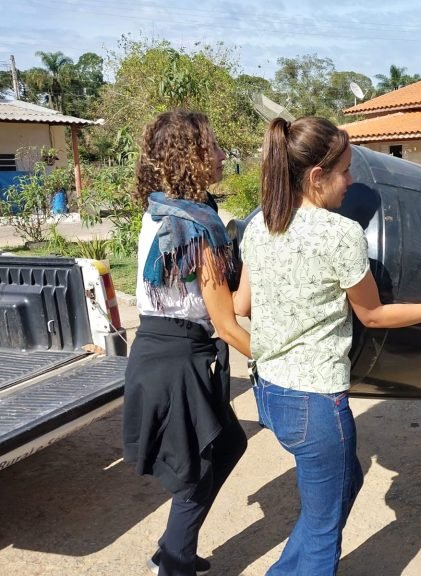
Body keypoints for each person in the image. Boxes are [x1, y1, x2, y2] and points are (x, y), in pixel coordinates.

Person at [233, 116, 421, 575]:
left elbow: (242, 303)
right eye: (344, 171)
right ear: (317, 176)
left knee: (344, 485)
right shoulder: (340, 234)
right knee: (324, 535)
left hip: (269, 392)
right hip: (316, 403)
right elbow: (374, 315)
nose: (352, 180)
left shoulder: (261, 224)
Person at [123, 110, 252, 576]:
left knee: (228, 444)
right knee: (198, 467)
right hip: (176, 357)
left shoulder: (164, 209)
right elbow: (228, 316)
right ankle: (173, 564)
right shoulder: (197, 229)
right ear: (191, 158)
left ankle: (174, 545)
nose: (221, 155)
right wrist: (281, 358)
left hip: (162, 351)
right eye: (213, 147)